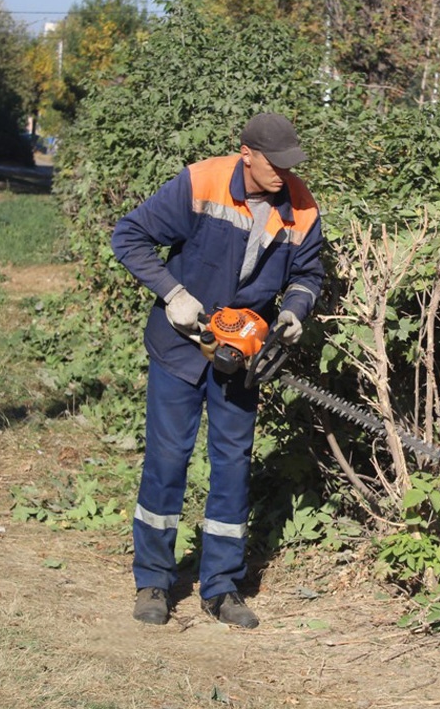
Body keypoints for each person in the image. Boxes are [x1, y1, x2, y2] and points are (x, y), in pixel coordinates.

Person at [111, 113, 325, 628]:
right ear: (247, 153)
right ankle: (153, 581)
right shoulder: (201, 181)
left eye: (290, 164)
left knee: (232, 465)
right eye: (276, 164)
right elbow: (129, 237)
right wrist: (173, 293)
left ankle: (222, 587)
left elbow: (307, 273)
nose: (284, 174)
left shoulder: (301, 206)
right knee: (167, 459)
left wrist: (295, 311)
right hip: (181, 346)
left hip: (242, 353)